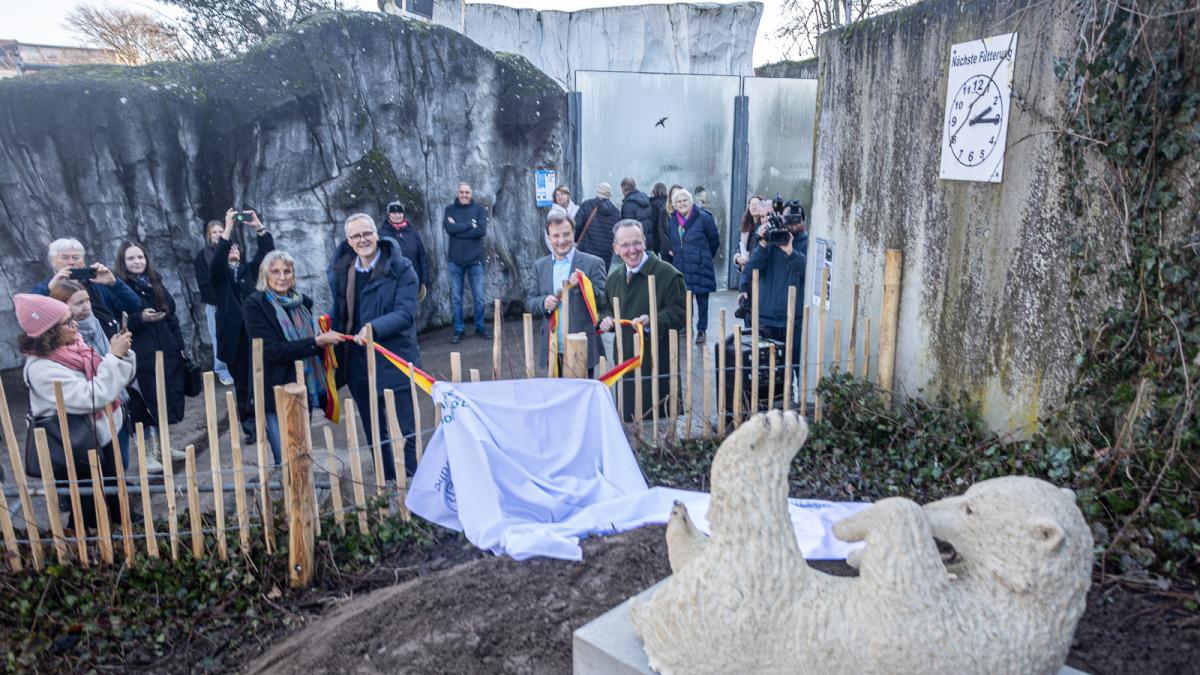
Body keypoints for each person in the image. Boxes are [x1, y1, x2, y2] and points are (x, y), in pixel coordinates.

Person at [15, 293, 134, 530]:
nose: (75, 324)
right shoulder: (42, 369)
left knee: (113, 491)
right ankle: (86, 547)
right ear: (49, 331)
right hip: (73, 445)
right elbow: (93, 396)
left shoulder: (75, 348)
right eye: (68, 321)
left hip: (99, 436)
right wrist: (114, 357)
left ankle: (122, 529)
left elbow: (117, 381)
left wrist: (121, 355)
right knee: (86, 507)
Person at [328, 213, 421, 480]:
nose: (363, 239)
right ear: (349, 240)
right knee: (375, 433)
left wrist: (373, 328)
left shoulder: (401, 268)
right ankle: (390, 483)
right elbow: (341, 313)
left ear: (377, 234)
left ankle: (414, 484)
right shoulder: (342, 272)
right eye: (356, 235)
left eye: (367, 233)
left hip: (395, 358)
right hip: (358, 364)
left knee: (407, 430)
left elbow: (405, 313)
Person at [244, 251, 341, 464]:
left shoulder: (301, 303)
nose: (282, 276)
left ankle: (305, 495)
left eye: (287, 271)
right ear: (264, 275)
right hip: (274, 388)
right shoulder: (255, 304)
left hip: (302, 385)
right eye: (275, 271)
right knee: (286, 458)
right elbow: (271, 350)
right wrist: (316, 342)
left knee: (303, 451)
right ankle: (289, 495)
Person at [47, 280, 146, 472]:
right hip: (92, 416)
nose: (86, 307)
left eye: (87, 300)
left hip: (117, 402)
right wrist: (114, 356)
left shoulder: (100, 320)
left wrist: (122, 353)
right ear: (61, 307)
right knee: (102, 471)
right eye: (78, 303)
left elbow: (117, 368)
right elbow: (88, 385)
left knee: (121, 464)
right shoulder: (63, 342)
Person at [597, 220, 687, 422]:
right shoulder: (613, 278)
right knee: (629, 421)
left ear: (645, 242)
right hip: (625, 364)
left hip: (659, 364)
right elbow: (605, 309)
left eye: (636, 243)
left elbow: (680, 314)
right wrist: (605, 320)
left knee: (662, 424)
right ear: (616, 248)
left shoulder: (669, 275)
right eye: (625, 245)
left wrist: (653, 321)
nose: (632, 250)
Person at [113, 241, 188, 461]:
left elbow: (171, 314)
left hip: (165, 349)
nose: (137, 262)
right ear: (123, 262)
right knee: (143, 405)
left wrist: (179, 347)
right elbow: (119, 322)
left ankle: (164, 448)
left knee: (163, 401)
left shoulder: (155, 281)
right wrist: (141, 319)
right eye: (131, 258)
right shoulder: (118, 287)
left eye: (140, 257)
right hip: (140, 353)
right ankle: (147, 455)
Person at [211, 208, 275, 442]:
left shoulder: (250, 270)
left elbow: (268, 253)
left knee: (263, 377)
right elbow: (217, 262)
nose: (234, 250)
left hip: (256, 335)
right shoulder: (219, 275)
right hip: (234, 338)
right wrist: (227, 228)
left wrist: (259, 227)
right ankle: (250, 426)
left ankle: (268, 420)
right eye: (230, 248)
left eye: (237, 247)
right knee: (242, 383)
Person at [525, 209, 608, 378]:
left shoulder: (593, 263)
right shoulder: (539, 266)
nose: (561, 240)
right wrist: (543, 302)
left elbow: (603, 301)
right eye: (555, 236)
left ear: (573, 233)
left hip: (581, 345)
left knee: (582, 400)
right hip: (553, 346)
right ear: (548, 237)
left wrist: (586, 285)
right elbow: (529, 301)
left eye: (566, 234)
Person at [742, 205, 808, 391]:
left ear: (803, 221)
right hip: (767, 320)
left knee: (797, 367)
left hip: (794, 321)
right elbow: (750, 270)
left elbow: (810, 272)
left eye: (797, 219)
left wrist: (790, 251)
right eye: (789, 219)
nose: (793, 224)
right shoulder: (769, 241)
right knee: (770, 373)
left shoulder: (806, 242)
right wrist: (762, 243)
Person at [32, 238, 141, 337]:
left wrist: (114, 284)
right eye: (65, 257)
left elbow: (133, 306)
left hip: (107, 343)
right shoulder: (46, 287)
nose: (71, 262)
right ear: (53, 262)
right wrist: (50, 288)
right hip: (70, 347)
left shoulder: (97, 282)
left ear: (83, 261)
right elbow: (32, 317)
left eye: (76, 257)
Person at [664, 188, 721, 344]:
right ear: (674, 205)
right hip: (681, 267)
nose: (682, 204)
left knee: (703, 301)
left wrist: (705, 256)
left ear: (691, 201)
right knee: (684, 300)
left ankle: (702, 329)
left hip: (701, 266)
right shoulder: (672, 220)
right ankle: (686, 327)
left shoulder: (703, 218)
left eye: (685, 200)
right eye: (679, 202)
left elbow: (714, 241)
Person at [442, 182, 491, 343]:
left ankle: (480, 326)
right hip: (455, 261)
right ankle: (459, 329)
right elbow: (449, 229)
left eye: (467, 192)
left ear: (471, 194)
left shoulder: (479, 210)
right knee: (456, 297)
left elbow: (481, 231)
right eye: (462, 192)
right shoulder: (450, 209)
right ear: (458, 193)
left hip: (475, 260)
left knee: (479, 297)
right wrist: (470, 225)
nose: (464, 195)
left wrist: (458, 229)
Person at [194, 220, 234, 385]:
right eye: (214, 232)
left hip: (234, 302)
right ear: (209, 235)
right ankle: (222, 371)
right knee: (218, 337)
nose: (218, 234)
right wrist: (220, 300)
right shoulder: (202, 256)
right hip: (216, 304)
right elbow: (204, 283)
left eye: (220, 231)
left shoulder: (233, 250)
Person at [381, 201, 429, 301]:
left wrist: (424, 279)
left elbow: (422, 256)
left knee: (413, 308)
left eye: (400, 212)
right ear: (388, 214)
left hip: (415, 279)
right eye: (393, 213)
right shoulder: (382, 234)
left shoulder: (412, 232)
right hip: (395, 282)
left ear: (403, 214)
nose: (397, 215)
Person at [575, 182, 621, 270]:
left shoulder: (587, 205)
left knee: (583, 279)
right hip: (605, 254)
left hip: (586, 250)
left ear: (597, 192)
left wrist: (576, 240)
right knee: (600, 278)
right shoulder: (615, 212)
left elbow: (577, 225)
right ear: (609, 194)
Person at [655, 184, 685, 265]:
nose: (675, 195)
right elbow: (661, 230)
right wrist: (669, 249)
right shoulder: (663, 210)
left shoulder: (686, 212)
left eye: (678, 193)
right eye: (673, 193)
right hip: (666, 251)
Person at [620, 177, 655, 244]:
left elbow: (627, 227)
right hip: (649, 240)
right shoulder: (646, 199)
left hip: (636, 242)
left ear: (623, 189)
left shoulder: (628, 204)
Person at [648, 182, 670, 256]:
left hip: (656, 236)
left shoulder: (653, 204)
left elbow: (652, 222)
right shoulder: (668, 203)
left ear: (655, 191)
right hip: (666, 235)